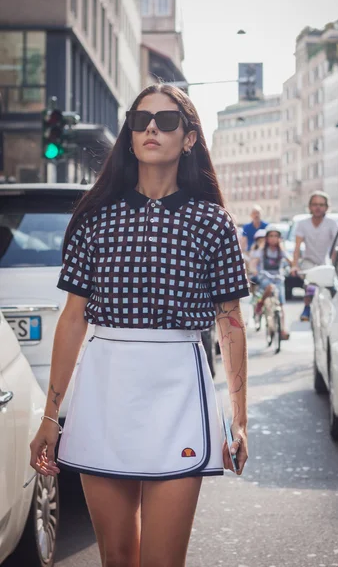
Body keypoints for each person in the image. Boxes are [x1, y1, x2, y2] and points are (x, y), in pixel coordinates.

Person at [29, 84, 249, 567]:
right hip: (104, 390)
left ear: (189, 138)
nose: (152, 128)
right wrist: (50, 416)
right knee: (119, 558)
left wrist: (239, 417)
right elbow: (72, 319)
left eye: (167, 121)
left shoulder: (213, 223)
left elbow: (230, 323)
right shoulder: (95, 218)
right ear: (129, 134)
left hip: (179, 394)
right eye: (141, 119)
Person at [291, 191, 338, 322]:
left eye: (321, 205)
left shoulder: (331, 224)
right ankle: (307, 308)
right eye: (315, 204)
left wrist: (335, 265)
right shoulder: (303, 224)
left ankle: (334, 312)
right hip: (309, 261)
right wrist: (294, 265)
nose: (318, 207)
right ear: (310, 206)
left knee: (331, 288)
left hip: (325, 262)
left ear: (326, 207)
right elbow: (297, 247)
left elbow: (336, 247)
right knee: (310, 286)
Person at [251, 224, 291, 340]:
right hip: (265, 277)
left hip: (278, 278)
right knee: (269, 287)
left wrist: (293, 267)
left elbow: (290, 260)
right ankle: (261, 302)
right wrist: (254, 270)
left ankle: (283, 329)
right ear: (267, 238)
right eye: (271, 236)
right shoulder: (262, 251)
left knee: (281, 304)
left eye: (276, 236)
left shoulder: (281, 250)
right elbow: (254, 262)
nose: (273, 238)